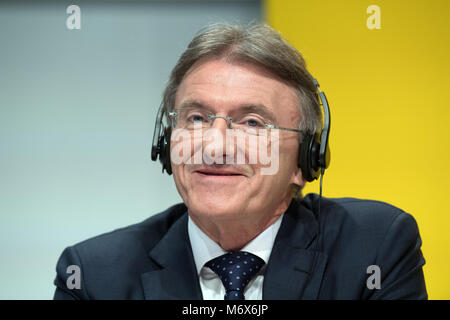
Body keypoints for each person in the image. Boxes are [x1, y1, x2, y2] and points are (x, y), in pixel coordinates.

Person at [53, 23, 427, 300]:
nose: (214, 147)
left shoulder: (373, 250)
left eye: (252, 123)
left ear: (304, 159)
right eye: (196, 118)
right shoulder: (94, 276)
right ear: (167, 142)